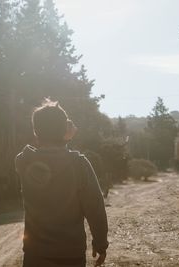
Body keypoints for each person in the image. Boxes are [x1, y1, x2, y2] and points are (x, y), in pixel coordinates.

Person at [15, 99, 109, 267]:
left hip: (35, 255)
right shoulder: (79, 164)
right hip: (70, 254)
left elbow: (28, 152)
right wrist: (100, 244)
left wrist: (60, 136)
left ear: (36, 132)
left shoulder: (24, 161)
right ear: (66, 130)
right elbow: (95, 208)